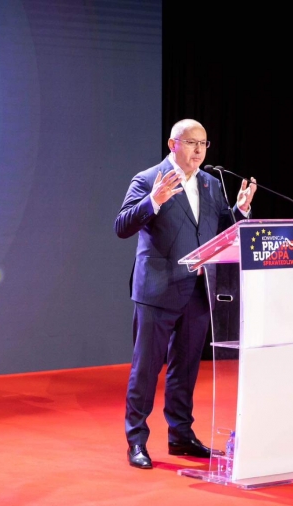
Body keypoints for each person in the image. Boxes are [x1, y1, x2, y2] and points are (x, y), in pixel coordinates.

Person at [114, 119, 256, 469]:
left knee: (186, 368)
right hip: (157, 290)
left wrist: (240, 211)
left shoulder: (211, 184)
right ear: (172, 144)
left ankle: (180, 435)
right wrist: (153, 201)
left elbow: (222, 233)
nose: (198, 150)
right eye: (191, 142)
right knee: (146, 369)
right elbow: (122, 226)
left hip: (197, 290)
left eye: (203, 143)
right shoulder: (148, 179)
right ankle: (136, 440)